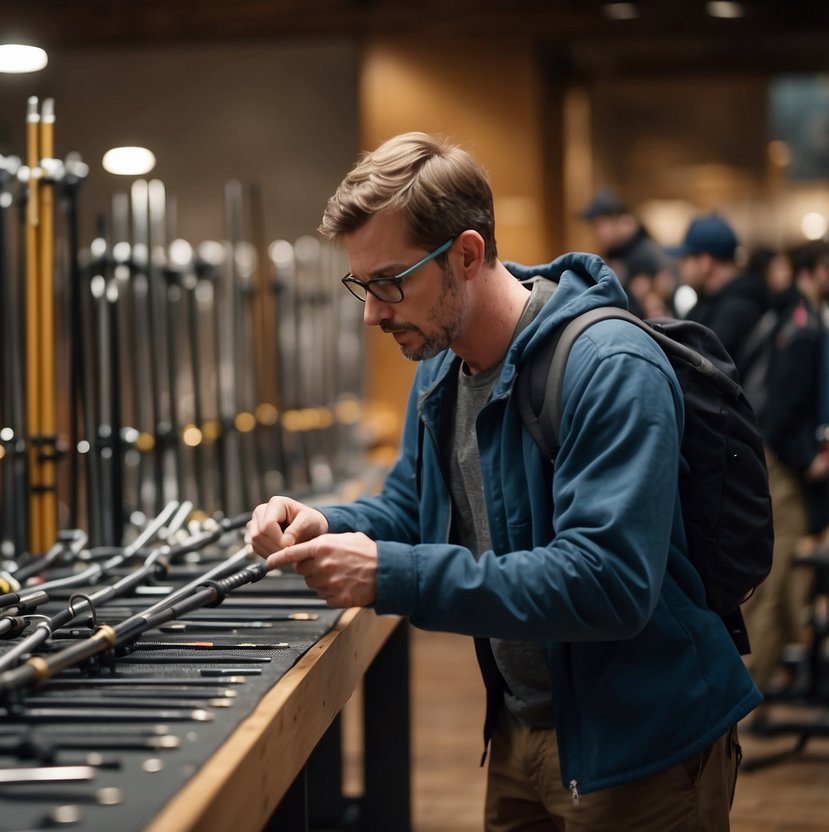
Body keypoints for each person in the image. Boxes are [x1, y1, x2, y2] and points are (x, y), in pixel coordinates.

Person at [246, 132, 758, 829]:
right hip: (522, 733)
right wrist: (326, 524)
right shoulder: (439, 365)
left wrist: (392, 576)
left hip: (641, 748)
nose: (372, 312)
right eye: (362, 285)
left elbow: (607, 581)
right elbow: (411, 504)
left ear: (465, 254)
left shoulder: (607, 366)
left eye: (390, 281)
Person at [742, 241, 829, 711]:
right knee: (780, 575)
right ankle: (753, 688)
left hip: (780, 461)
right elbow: (780, 411)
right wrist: (806, 458)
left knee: (780, 572)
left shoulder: (798, 318)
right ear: (815, 270)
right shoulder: (802, 326)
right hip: (784, 466)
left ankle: (766, 675)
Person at [670, 213, 767, 368]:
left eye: (685, 258)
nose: (680, 265)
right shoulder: (716, 302)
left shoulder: (736, 309)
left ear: (705, 262)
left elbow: (703, 370)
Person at [579, 189, 669, 316]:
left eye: (600, 224)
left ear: (618, 221)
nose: (597, 232)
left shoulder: (644, 253)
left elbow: (657, 309)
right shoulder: (616, 251)